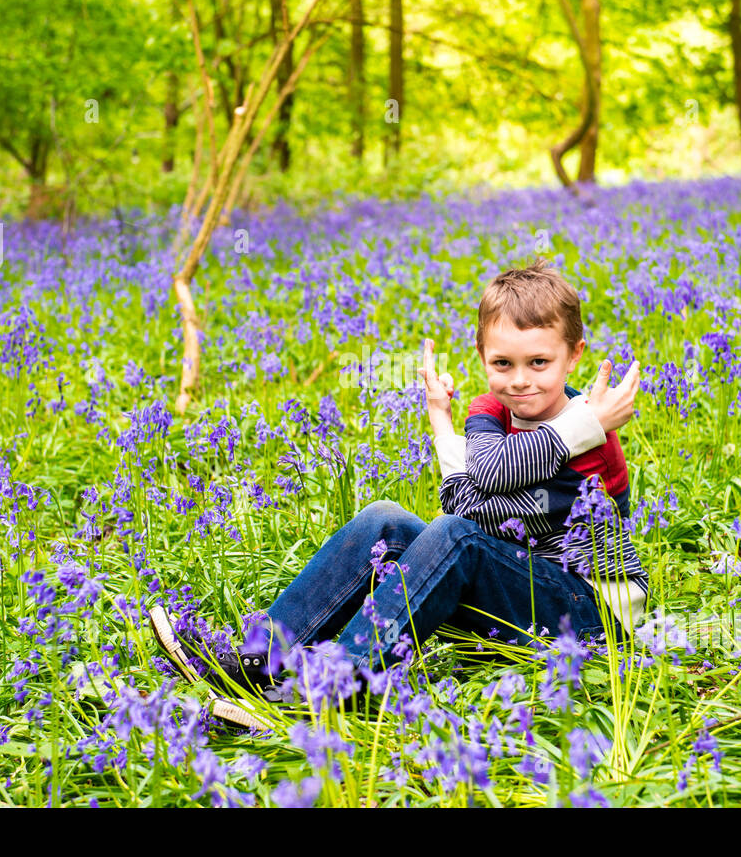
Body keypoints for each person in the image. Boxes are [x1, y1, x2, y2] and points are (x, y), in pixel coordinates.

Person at [148, 259, 648, 711]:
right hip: (519, 585)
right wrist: (442, 421)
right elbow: (464, 494)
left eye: (539, 362)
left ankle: (328, 686)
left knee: (458, 537)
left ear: (574, 356)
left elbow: (482, 492)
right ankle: (260, 661)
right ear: (481, 356)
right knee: (383, 519)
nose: (520, 380)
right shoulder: (489, 412)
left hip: (591, 616)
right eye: (503, 363)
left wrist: (583, 427)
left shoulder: (591, 432)